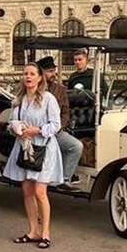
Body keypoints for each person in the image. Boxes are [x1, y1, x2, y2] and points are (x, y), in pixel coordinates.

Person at [2, 63, 63, 249]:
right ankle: (32, 231)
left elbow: (56, 125)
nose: (28, 77)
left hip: (43, 149)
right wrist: (15, 128)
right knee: (27, 191)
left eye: (32, 74)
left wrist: (37, 130)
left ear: (39, 78)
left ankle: (45, 233)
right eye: (25, 74)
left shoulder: (48, 98)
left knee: (39, 191)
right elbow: (12, 122)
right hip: (24, 147)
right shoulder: (19, 100)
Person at [35, 56, 84, 188]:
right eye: (50, 71)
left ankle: (64, 178)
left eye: (53, 71)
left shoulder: (60, 89)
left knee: (76, 146)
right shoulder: (34, 89)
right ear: (42, 73)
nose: (53, 74)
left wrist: (58, 127)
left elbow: (65, 112)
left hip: (56, 131)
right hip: (37, 131)